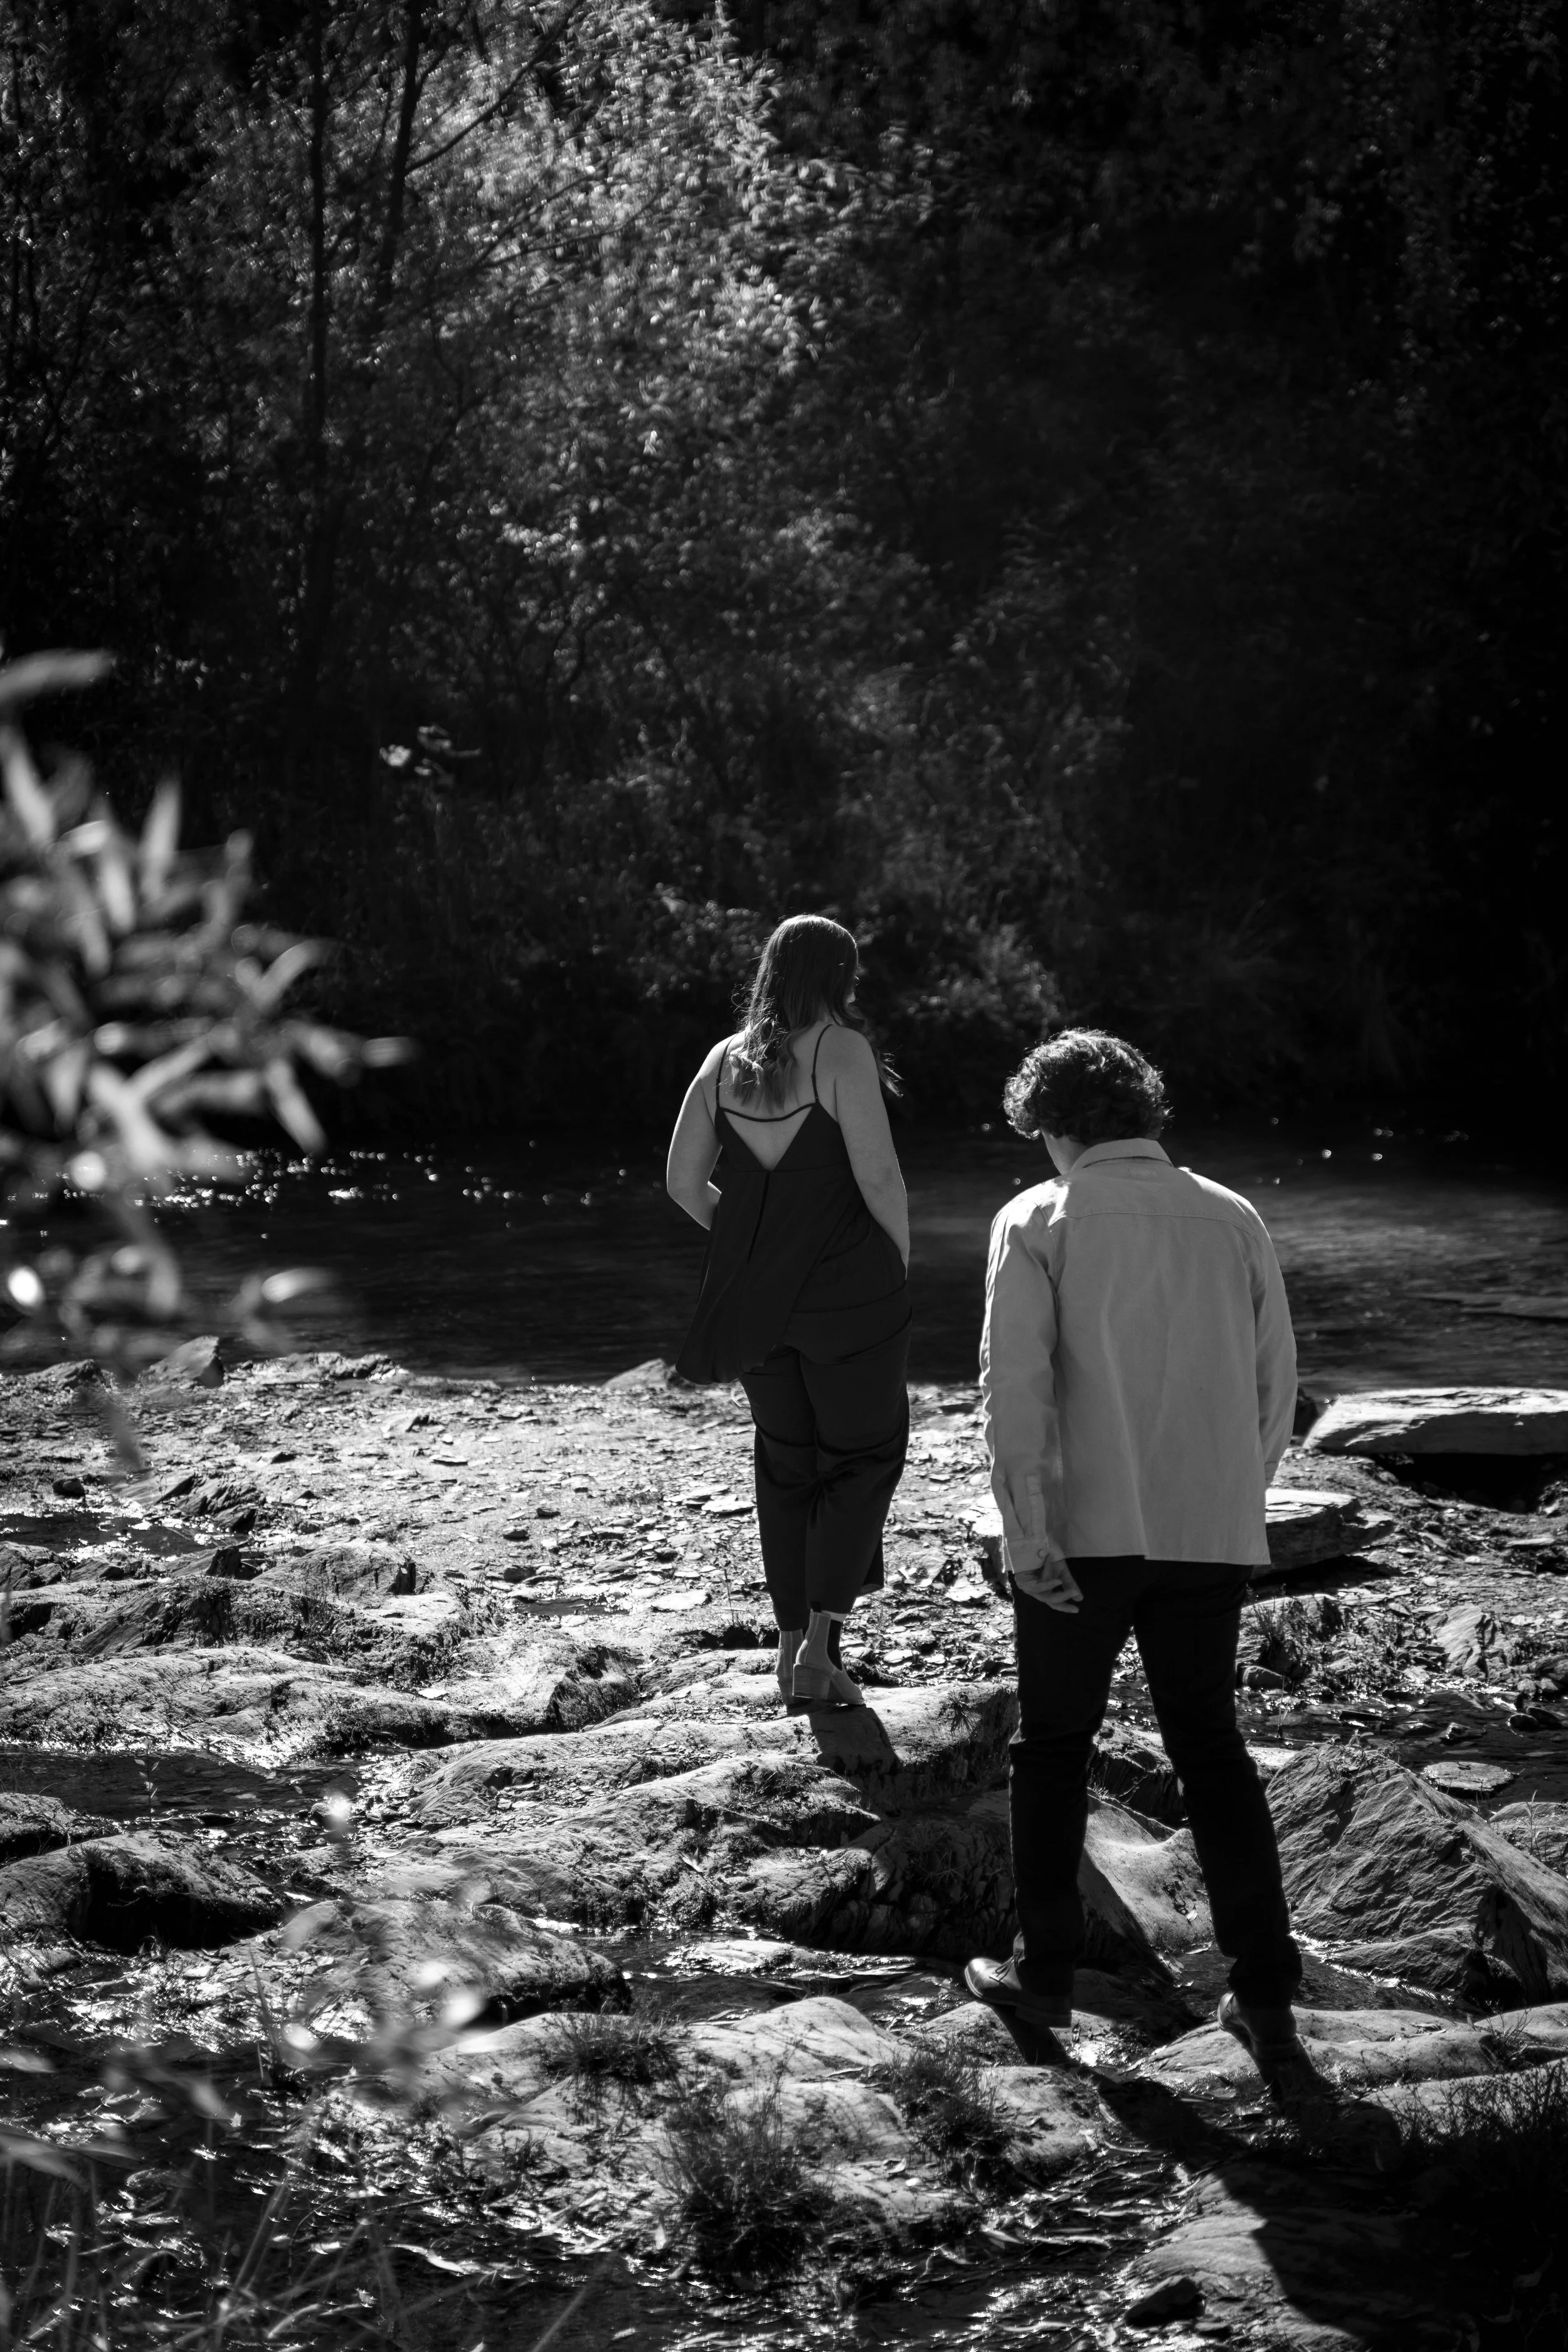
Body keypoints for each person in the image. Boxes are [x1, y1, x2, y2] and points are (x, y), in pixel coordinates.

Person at [965, 1028, 1305, 2077]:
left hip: (1085, 1535)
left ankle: (1047, 1971)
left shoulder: (1038, 1218)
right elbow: (1274, 1383)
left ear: (1057, 1126)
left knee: (1054, 1748)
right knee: (1213, 1752)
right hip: (1207, 1534)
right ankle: (1264, 1993)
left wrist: (1026, 1532)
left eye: (1042, 1135)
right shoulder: (1233, 1216)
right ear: (1146, 1115)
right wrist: (1233, 1506)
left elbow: (1013, 1392)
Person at [666, 916, 911, 1708]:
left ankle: (787, 1650)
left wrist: (751, 1241)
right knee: (863, 1456)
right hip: (848, 1292)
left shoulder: (722, 1058)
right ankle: (821, 1648)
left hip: (753, 1298)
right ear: (840, 976)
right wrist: (894, 1269)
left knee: (786, 1463)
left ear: (770, 970)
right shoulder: (842, 1049)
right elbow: (878, 1180)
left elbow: (681, 1183)